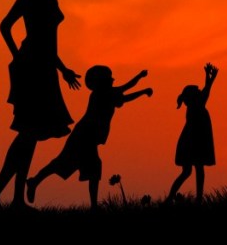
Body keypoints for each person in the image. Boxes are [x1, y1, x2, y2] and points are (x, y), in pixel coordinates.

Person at [0, 0, 81, 210]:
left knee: (30, 135)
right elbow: (5, 26)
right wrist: (17, 55)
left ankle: (13, 199)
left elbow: (47, 43)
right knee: (28, 133)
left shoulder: (49, 1)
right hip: (33, 68)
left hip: (44, 67)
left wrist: (62, 69)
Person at [27, 65, 153, 209]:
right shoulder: (102, 95)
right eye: (108, 78)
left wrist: (140, 78)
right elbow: (125, 94)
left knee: (76, 165)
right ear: (100, 81)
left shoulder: (107, 92)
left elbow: (125, 88)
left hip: (86, 136)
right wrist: (142, 90)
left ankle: (35, 181)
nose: (112, 79)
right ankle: (36, 182)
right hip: (84, 136)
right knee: (75, 165)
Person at [166, 63, 218, 204]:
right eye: (197, 91)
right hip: (194, 142)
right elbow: (207, 89)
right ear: (193, 97)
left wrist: (209, 77)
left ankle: (172, 198)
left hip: (191, 141)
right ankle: (195, 199)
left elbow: (206, 89)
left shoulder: (196, 105)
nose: (200, 92)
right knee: (195, 170)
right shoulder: (198, 105)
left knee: (188, 171)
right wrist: (210, 77)